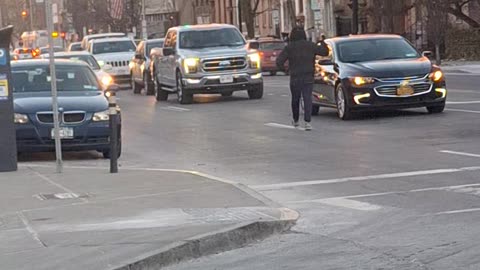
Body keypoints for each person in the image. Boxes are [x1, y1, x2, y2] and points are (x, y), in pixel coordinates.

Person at [276, 27, 329, 131]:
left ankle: (296, 120)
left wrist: (286, 70)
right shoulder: (310, 46)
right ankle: (307, 122)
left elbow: (279, 61)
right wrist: (322, 41)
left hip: (295, 76)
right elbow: (324, 52)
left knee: (295, 99)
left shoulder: (290, 47)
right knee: (307, 98)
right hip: (308, 75)